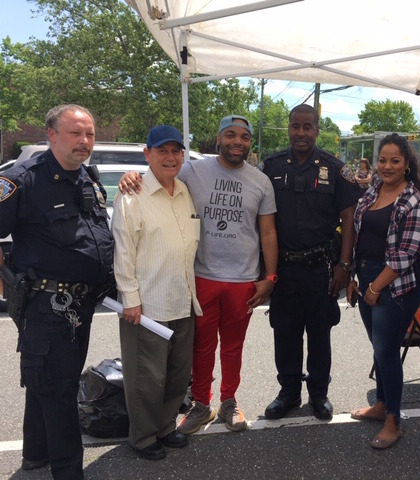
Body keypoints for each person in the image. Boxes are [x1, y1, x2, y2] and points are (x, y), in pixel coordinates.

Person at [119, 115, 278, 434]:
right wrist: (132, 175)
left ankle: (229, 401)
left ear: (249, 143)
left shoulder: (261, 181)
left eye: (244, 137)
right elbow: (162, 176)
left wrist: (269, 277)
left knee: (233, 347)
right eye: (230, 135)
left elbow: (268, 233)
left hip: (243, 280)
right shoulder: (194, 169)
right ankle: (201, 404)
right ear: (218, 139)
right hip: (202, 277)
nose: (237, 141)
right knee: (201, 346)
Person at [0, 104, 114, 479]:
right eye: (75, 134)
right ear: (51, 135)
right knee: (61, 390)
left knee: (47, 381)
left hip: (80, 304)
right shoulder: (24, 178)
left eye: (90, 135)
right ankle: (68, 473)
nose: (84, 142)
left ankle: (35, 454)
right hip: (46, 303)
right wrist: (6, 282)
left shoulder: (86, 177)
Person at [259, 104, 361, 421]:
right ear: (288, 128)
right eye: (295, 126)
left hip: (321, 268)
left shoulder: (336, 169)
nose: (300, 133)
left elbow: (349, 219)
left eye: (307, 127)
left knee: (319, 334)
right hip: (285, 268)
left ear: (317, 130)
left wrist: (345, 267)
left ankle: (319, 394)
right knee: (285, 333)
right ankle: (288, 392)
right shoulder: (270, 167)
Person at [112, 125, 201, 460]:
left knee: (177, 375)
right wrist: (130, 299)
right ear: (147, 154)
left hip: (182, 299)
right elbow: (123, 250)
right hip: (147, 305)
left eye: (176, 151)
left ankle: (165, 427)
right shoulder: (131, 195)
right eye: (162, 150)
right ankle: (143, 436)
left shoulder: (184, 191)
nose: (170, 157)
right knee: (146, 379)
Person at [346, 133, 420, 449]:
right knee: (379, 346)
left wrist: (376, 287)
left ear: (407, 164)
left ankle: (393, 420)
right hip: (367, 276)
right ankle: (381, 404)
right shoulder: (371, 193)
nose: (387, 166)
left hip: (397, 284)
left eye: (395, 160)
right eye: (383, 160)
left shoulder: (413, 200)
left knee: (386, 350)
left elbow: (406, 255)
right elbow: (359, 237)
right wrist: (356, 278)